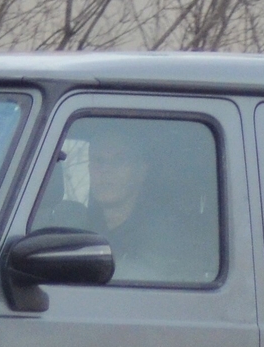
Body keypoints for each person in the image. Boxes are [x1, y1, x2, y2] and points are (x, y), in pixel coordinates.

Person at [37, 117, 217, 284]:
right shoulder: (79, 225)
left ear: (141, 172)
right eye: (98, 160)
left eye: (119, 160)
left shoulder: (165, 235)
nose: (105, 169)